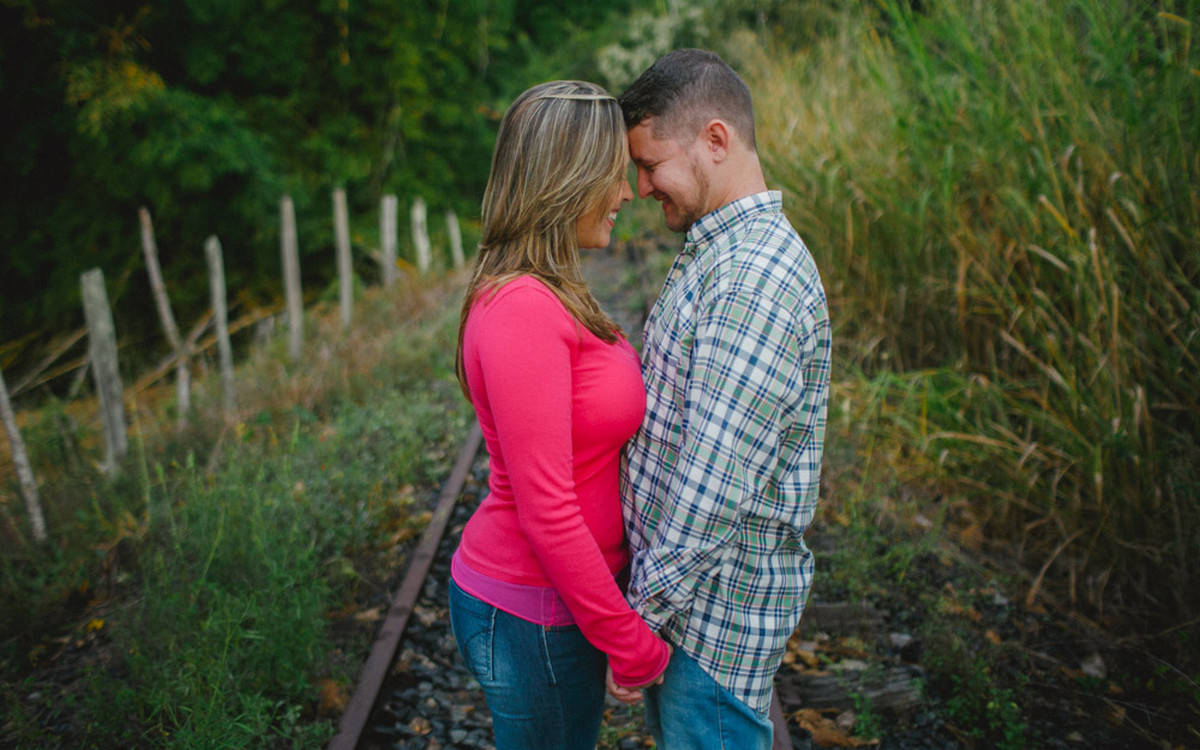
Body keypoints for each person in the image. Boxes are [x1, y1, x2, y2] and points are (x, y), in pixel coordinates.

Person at [614, 49, 832, 749]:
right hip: (696, 618)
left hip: (707, 632)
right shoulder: (722, 253)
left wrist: (636, 621)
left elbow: (711, 489)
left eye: (651, 164)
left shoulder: (749, 279)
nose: (643, 187)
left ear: (715, 140)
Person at [448, 80, 671, 750]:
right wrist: (626, 638)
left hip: (555, 606)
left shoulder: (548, 294)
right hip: (531, 609)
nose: (628, 194)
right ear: (568, 180)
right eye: (613, 176)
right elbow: (547, 507)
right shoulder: (523, 308)